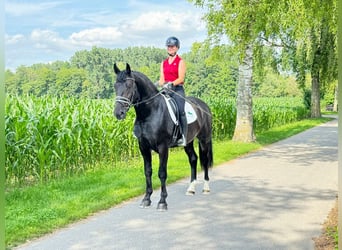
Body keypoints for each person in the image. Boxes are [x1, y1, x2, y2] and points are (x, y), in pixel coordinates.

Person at [155, 36, 187, 146]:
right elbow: (162, 79)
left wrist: (171, 83)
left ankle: (183, 136)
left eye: (172, 46)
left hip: (177, 90)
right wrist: (155, 84)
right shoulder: (163, 63)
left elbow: (181, 78)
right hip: (166, 90)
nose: (170, 48)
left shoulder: (181, 61)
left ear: (177, 48)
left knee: (180, 110)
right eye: (168, 46)